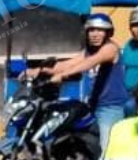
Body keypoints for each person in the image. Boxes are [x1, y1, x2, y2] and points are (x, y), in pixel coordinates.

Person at [40, 13, 128, 149]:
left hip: (110, 108)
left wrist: (63, 75)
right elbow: (69, 64)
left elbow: (90, 63)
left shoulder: (110, 48)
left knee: (108, 150)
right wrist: (37, 71)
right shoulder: (89, 51)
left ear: (108, 32)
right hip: (92, 106)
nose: (95, 34)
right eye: (91, 30)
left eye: (100, 30)